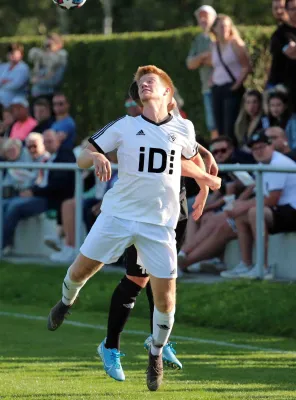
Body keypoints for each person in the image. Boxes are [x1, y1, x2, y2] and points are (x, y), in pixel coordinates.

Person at [47, 65, 220, 392]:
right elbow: (83, 155)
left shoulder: (184, 128)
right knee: (80, 271)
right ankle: (66, 301)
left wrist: (205, 190)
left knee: (166, 296)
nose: (145, 85)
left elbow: (191, 162)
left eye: (151, 81)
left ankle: (155, 352)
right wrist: (95, 157)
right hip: (119, 216)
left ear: (168, 94)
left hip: (159, 224)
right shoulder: (125, 126)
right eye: (141, 83)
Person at [232, 129, 296, 279]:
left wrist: (243, 205)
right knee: (242, 215)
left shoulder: (278, 163)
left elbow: (272, 199)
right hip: (284, 209)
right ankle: (246, 264)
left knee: (255, 212)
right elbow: (259, 191)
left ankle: (263, 267)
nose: (258, 151)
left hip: (292, 209)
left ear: (271, 146)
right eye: (254, 149)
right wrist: (239, 204)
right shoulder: (264, 164)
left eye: (262, 147)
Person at [2, 129, 75, 255]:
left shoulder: (64, 156)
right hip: (40, 195)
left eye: (50, 141)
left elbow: (57, 185)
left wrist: (34, 192)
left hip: (50, 200)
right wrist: (32, 191)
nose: (47, 144)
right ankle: (5, 243)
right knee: (4, 204)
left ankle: (4, 245)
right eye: (46, 141)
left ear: (57, 140)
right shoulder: (51, 158)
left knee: (14, 206)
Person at [210, 14, 252, 141]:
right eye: (221, 26)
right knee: (219, 125)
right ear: (215, 29)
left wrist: (236, 85)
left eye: (227, 26)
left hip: (232, 87)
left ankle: (232, 154)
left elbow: (247, 66)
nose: (224, 29)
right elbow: (216, 66)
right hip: (217, 88)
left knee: (231, 126)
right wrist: (211, 80)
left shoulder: (235, 43)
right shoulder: (214, 45)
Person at [186, 5, 217, 139]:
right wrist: (205, 56)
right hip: (206, 88)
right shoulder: (198, 39)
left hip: (221, 86)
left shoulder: (218, 36)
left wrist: (201, 59)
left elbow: (217, 60)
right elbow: (190, 63)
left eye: (206, 16)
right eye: (200, 17)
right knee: (212, 124)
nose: (203, 19)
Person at [267, 0, 296, 111]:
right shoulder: (280, 34)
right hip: (283, 87)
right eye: (293, 9)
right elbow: (292, 54)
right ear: (286, 11)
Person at [29, 33, 68, 100]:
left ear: (59, 45)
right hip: (36, 96)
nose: (46, 48)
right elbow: (33, 76)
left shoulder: (60, 60)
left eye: (49, 45)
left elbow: (54, 81)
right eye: (45, 45)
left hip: (48, 97)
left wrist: (37, 81)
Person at [0, 43, 30, 108]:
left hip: (16, 98)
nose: (12, 55)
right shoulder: (3, 66)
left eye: (14, 53)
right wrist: (8, 81)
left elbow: (16, 85)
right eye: (10, 53)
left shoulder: (24, 68)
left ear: (21, 54)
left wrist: (3, 82)